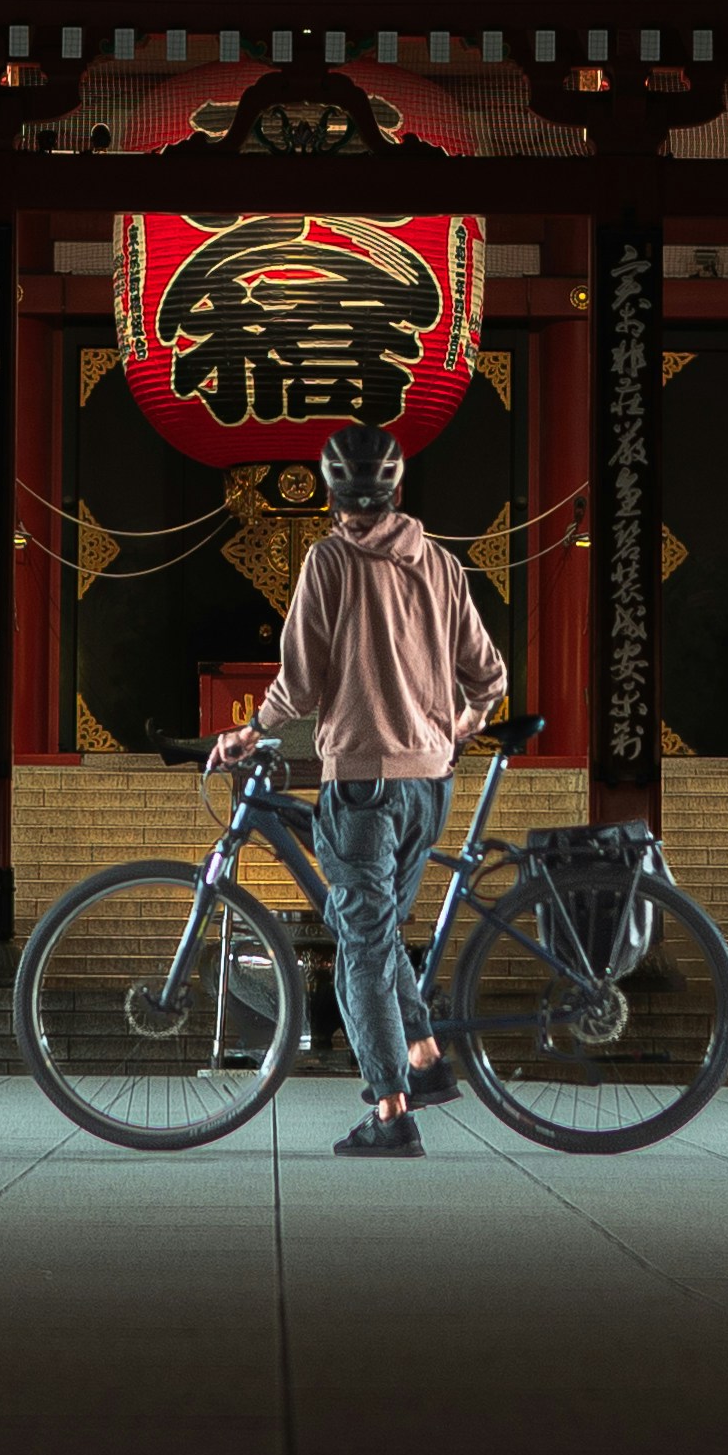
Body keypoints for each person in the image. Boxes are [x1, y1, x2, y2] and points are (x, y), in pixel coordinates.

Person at [219, 421, 507, 1154]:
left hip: (362, 787)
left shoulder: (329, 561)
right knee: (374, 935)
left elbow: (303, 681)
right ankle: (425, 1060)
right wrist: (458, 726)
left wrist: (254, 729)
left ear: (329, 491)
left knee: (363, 950)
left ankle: (390, 1112)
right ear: (398, 489)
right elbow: (488, 676)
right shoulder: (440, 564)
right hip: (427, 790)